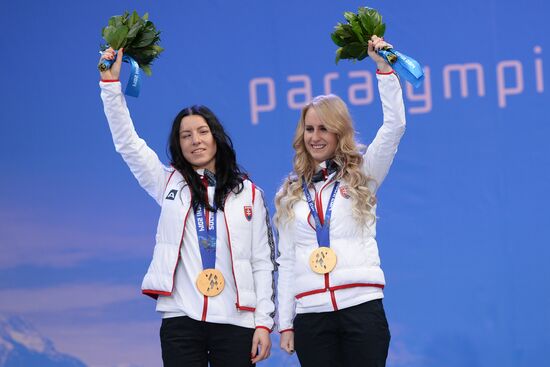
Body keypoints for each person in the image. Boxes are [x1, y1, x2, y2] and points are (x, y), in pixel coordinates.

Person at [99, 48, 275, 367]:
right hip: (181, 319)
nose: (195, 140)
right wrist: (110, 87)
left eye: (202, 132)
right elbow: (128, 144)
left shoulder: (250, 193)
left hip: (237, 321)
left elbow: (263, 262)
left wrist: (263, 323)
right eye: (186, 135)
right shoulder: (168, 183)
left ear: (217, 137)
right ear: (178, 144)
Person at [275, 36, 406, 367]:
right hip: (312, 319)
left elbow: (394, 127)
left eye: (324, 128)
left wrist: (384, 71)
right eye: (309, 129)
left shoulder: (363, 173)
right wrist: (285, 322)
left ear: (339, 132)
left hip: (362, 309)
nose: (315, 136)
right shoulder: (290, 193)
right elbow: (287, 261)